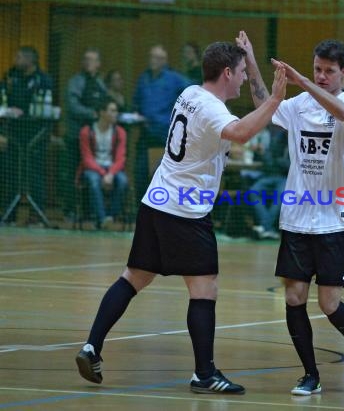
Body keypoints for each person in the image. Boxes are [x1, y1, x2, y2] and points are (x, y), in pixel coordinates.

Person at [75, 36, 287, 395]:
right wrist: (278, 99)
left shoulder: (189, 93)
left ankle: (91, 346)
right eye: (238, 73)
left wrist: (249, 60)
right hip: (184, 210)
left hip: (156, 200)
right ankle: (204, 373)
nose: (240, 80)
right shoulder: (212, 109)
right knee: (204, 287)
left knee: (134, 277)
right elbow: (242, 133)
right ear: (225, 73)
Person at [236, 32, 344, 395]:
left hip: (337, 220)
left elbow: (340, 111)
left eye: (328, 71)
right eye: (316, 69)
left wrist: (305, 82)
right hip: (297, 218)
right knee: (294, 298)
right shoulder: (298, 107)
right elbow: (264, 101)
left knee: (328, 303)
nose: (322, 76)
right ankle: (310, 374)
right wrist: (250, 58)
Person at [133, 45, 190, 201]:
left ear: (164, 61)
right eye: (151, 57)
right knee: (141, 172)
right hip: (146, 134)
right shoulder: (143, 79)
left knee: (165, 175)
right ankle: (141, 209)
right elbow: (136, 102)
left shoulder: (174, 78)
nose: (154, 60)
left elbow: (194, 91)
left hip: (166, 135)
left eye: (158, 58)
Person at [1, 46, 53, 218]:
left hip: (36, 135)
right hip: (13, 135)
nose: (15, 59)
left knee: (35, 174)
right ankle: (9, 213)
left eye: (19, 56)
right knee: (10, 173)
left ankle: (36, 215)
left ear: (30, 60)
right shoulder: (10, 76)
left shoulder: (43, 80)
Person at [64, 48, 108, 219]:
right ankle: (71, 210)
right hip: (76, 136)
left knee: (92, 174)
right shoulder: (76, 81)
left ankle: (90, 211)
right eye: (85, 59)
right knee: (73, 173)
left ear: (98, 64)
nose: (88, 63)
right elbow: (73, 106)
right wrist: (92, 114)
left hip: (95, 140)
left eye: (92, 60)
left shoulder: (100, 83)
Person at [77, 98, 128, 230]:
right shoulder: (86, 131)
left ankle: (110, 216)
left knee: (122, 181)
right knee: (93, 181)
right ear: (102, 112)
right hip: (93, 168)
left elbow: (121, 158)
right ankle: (101, 218)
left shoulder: (120, 132)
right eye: (112, 110)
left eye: (116, 111)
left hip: (112, 168)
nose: (115, 113)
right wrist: (102, 173)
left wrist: (110, 173)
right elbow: (87, 158)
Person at [248, 124, 289, 240]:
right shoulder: (277, 138)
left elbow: (292, 165)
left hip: (286, 178)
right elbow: (268, 158)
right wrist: (278, 162)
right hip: (270, 174)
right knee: (253, 191)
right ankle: (268, 228)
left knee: (280, 196)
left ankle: (265, 227)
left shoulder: (299, 139)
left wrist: (278, 161)